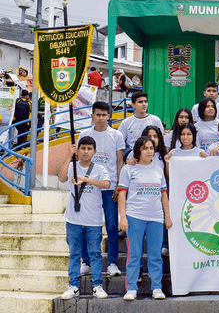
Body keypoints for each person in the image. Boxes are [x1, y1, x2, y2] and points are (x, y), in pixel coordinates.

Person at [118, 137, 172, 301]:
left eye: (151, 148)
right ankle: (131, 288)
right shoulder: (128, 169)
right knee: (134, 254)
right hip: (135, 216)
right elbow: (122, 193)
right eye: (145, 148)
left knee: (155, 255)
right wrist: (123, 217)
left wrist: (167, 217)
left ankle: (157, 287)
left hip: (155, 217)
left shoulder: (157, 169)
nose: (149, 151)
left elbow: (164, 195)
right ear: (138, 151)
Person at [77, 102, 125, 278]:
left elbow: (120, 161)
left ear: (109, 116)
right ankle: (86, 262)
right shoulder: (84, 134)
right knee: (85, 226)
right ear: (92, 115)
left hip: (109, 188)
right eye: (98, 115)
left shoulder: (116, 135)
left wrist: (119, 184)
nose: (101, 118)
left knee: (112, 226)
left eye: (104, 115)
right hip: (88, 187)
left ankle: (112, 262)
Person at [59, 137, 110, 300]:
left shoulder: (100, 168)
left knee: (95, 253)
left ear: (94, 151)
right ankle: (73, 285)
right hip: (73, 219)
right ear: (78, 150)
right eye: (83, 148)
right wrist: (68, 156)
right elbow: (61, 178)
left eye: (89, 149)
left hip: (93, 219)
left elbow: (107, 184)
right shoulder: (72, 166)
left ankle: (97, 285)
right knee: (74, 253)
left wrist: (85, 179)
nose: (86, 152)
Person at [118, 92, 164, 158]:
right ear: (133, 105)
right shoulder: (126, 122)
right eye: (140, 102)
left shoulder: (155, 120)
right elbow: (120, 143)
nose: (144, 104)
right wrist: (127, 156)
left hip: (152, 157)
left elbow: (161, 140)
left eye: (145, 101)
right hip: (133, 159)